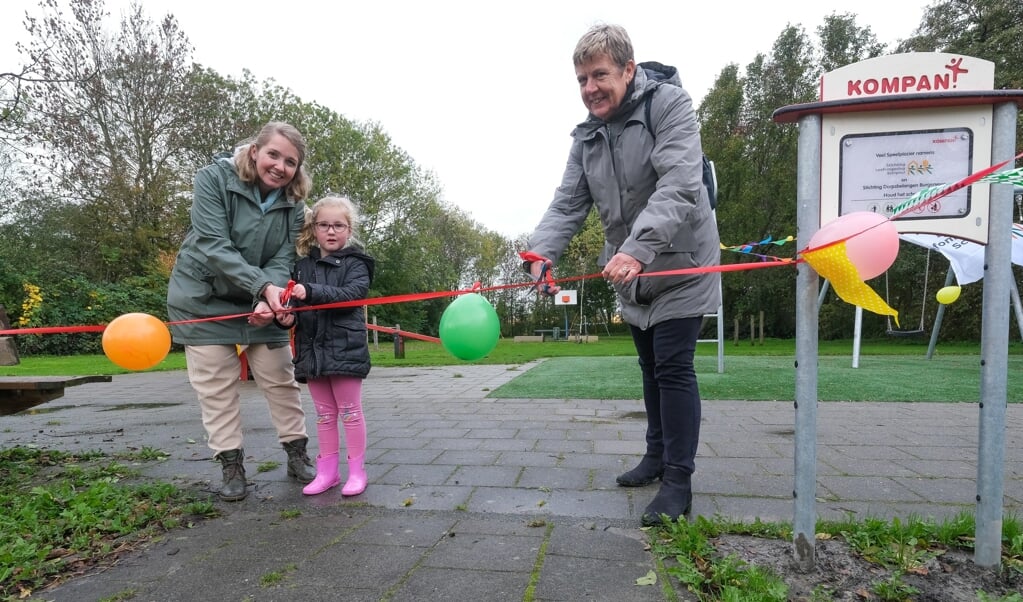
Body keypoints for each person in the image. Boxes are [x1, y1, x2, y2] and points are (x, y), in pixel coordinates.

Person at [522, 24, 721, 526]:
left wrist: (637, 249)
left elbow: (681, 182)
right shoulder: (587, 135)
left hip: (680, 263)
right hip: (629, 271)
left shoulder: (670, 106)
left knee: (673, 369)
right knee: (649, 368)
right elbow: (569, 202)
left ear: (629, 70)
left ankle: (678, 480)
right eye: (582, 79)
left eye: (600, 75)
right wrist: (540, 252)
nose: (590, 88)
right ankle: (655, 456)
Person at [167, 121, 317, 502]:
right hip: (204, 298)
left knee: (280, 379)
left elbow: (284, 258)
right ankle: (231, 464)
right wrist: (262, 289)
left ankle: (297, 454)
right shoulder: (213, 179)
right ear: (255, 151)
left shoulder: (295, 207)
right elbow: (214, 245)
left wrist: (268, 302)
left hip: (259, 299)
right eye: (273, 155)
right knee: (216, 388)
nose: (280, 166)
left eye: (290, 162)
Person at [275, 196, 375, 496]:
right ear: (313, 229)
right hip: (312, 352)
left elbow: (352, 295)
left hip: (345, 349)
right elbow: (295, 308)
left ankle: (357, 472)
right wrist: (285, 318)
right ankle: (327, 472)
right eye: (324, 225)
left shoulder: (357, 263)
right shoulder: (301, 266)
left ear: (349, 229)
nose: (331, 231)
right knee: (323, 415)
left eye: (338, 225)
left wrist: (311, 291)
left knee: (351, 412)